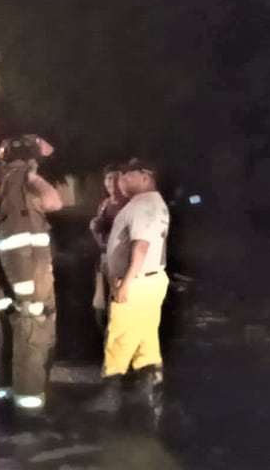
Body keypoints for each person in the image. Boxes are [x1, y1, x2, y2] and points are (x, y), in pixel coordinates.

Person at [0, 134, 63, 422]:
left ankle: (5, 400)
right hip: (24, 290)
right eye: (36, 161)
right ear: (30, 162)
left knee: (7, 345)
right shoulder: (19, 191)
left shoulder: (1, 190)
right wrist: (27, 297)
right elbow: (52, 205)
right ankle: (30, 414)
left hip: (1, 288)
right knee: (30, 346)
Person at [87, 158, 171, 414]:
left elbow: (141, 245)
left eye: (127, 175)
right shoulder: (151, 203)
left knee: (119, 337)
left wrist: (127, 282)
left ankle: (110, 396)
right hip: (150, 279)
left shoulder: (143, 204)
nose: (122, 180)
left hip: (138, 281)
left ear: (145, 176)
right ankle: (148, 391)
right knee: (145, 338)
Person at [89, 164, 129, 330]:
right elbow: (98, 237)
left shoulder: (129, 204)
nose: (110, 182)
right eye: (108, 178)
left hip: (122, 263)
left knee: (120, 307)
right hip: (105, 260)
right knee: (101, 308)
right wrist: (95, 228)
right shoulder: (104, 204)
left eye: (115, 177)